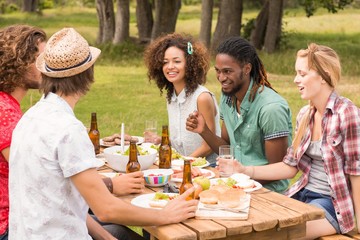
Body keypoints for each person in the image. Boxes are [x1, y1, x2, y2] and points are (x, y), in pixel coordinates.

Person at [8, 27, 197, 240]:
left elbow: (66, 196)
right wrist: (164, 215)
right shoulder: (67, 129)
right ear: (88, 74)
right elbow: (105, 209)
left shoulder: (30, 117)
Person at [224, 43, 360, 239]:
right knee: (250, 222)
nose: (296, 80)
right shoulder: (306, 115)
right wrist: (244, 171)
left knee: (276, 235)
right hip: (301, 195)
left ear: (324, 75)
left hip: (332, 205)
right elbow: (290, 166)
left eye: (302, 74)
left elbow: (356, 172)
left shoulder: (347, 113)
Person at [186, 36, 292, 192]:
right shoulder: (228, 98)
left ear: (247, 69)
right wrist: (204, 131)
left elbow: (276, 170)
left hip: (268, 193)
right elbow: (227, 147)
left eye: (227, 71)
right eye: (218, 71)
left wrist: (236, 177)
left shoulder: (271, 109)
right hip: (235, 185)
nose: (221, 78)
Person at [144, 32, 221, 165]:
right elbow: (180, 138)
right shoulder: (172, 96)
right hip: (182, 165)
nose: (170, 67)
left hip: (207, 167)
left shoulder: (202, 97)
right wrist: (161, 141)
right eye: (165, 62)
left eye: (177, 61)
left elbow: (208, 146)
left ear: (190, 64)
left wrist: (181, 163)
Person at [0, 24, 47, 240]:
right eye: (41, 59)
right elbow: (38, 177)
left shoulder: (7, 105)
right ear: (19, 63)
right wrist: (109, 184)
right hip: (12, 227)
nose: (47, 66)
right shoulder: (5, 112)